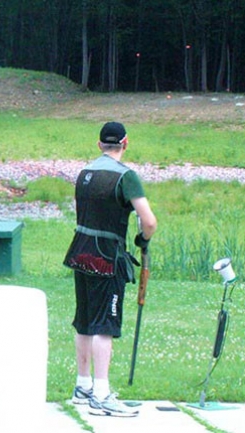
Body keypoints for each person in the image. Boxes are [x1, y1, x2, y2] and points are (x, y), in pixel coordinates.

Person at [63, 121, 157, 417]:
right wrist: (142, 239)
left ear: (99, 144)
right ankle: (101, 395)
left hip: (80, 252)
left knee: (85, 321)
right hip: (108, 258)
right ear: (125, 143)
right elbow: (149, 221)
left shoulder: (84, 173)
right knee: (105, 325)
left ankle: (83, 386)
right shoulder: (126, 177)